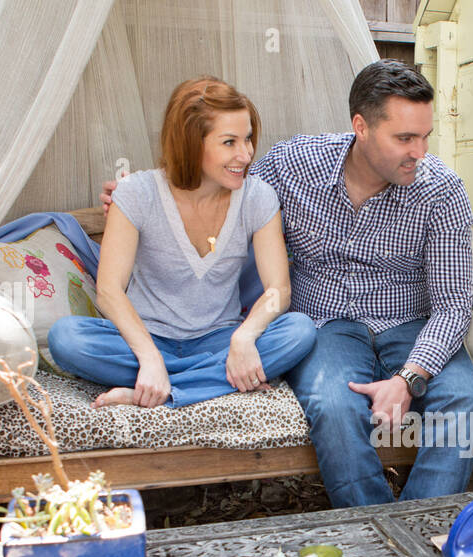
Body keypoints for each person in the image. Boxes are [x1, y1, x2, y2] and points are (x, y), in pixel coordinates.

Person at [103, 60, 473, 507]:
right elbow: (219, 180)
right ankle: (373, 530)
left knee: (465, 404)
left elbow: (454, 304)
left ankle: (416, 531)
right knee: (334, 408)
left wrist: (408, 378)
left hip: (411, 324)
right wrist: (140, 194)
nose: (419, 151)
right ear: (360, 127)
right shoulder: (295, 165)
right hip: (326, 325)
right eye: (404, 138)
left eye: (425, 136)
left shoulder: (441, 190)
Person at [50, 76, 315, 409]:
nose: (246, 154)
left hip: (221, 342)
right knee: (66, 339)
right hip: (142, 340)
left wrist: (245, 337)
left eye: (248, 139)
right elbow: (109, 290)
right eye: (230, 142)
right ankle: (198, 382)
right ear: (192, 143)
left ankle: (153, 394)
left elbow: (279, 289)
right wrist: (150, 359)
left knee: (299, 331)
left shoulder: (258, 197)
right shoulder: (136, 193)